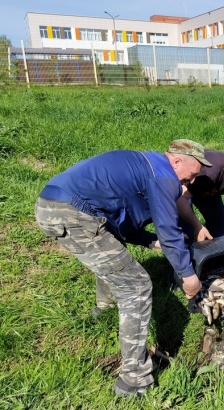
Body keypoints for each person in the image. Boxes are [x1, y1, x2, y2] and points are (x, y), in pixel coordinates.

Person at [34, 139, 212, 397]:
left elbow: (119, 226)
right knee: (136, 286)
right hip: (72, 213)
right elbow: (170, 231)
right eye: (192, 174)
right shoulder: (163, 175)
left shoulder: (144, 165)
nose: (190, 182)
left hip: (51, 204)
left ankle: (103, 312)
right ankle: (134, 380)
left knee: (112, 256)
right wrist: (188, 277)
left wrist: (150, 241)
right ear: (177, 161)